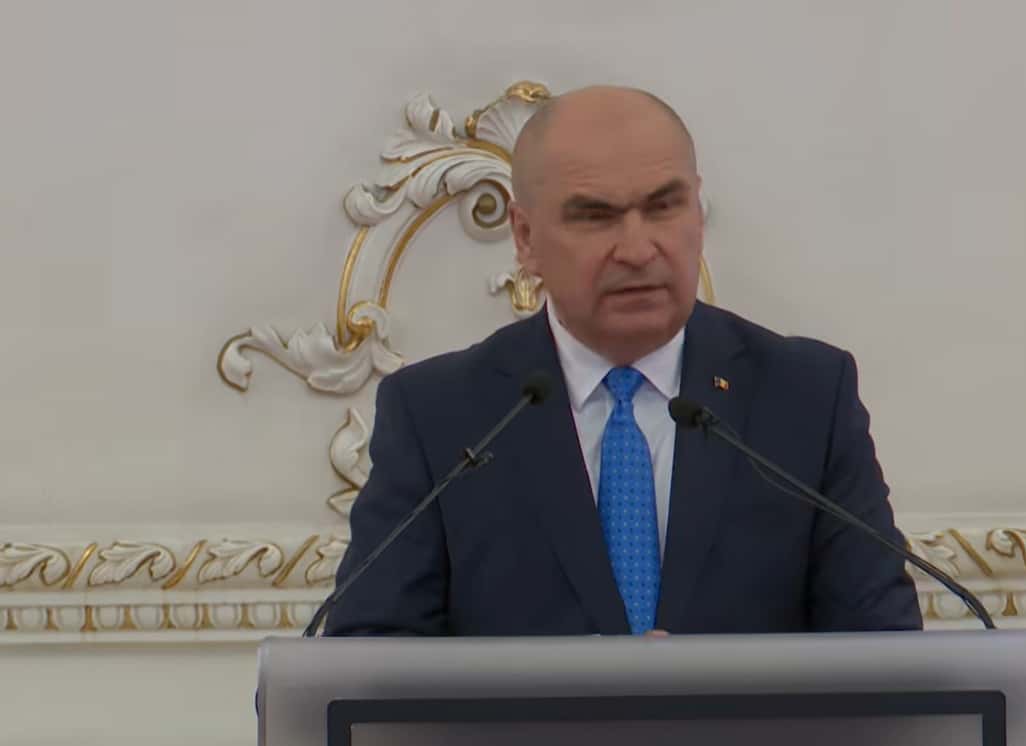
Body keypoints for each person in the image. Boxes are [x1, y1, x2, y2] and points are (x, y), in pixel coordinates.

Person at [325, 86, 921, 636]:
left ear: (697, 214)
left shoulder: (805, 397)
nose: (637, 250)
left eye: (664, 207)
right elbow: (368, 662)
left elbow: (885, 655)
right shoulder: (439, 415)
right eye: (595, 216)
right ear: (525, 238)